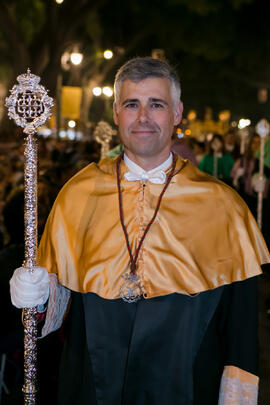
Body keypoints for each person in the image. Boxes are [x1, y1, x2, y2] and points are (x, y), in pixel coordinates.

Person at [10, 57, 270, 405]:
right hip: (92, 386)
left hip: (190, 385)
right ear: (116, 112)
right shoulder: (77, 194)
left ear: (177, 113)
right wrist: (37, 300)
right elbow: (57, 311)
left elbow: (240, 336)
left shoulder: (224, 206)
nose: (143, 117)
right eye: (132, 104)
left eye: (156, 105)